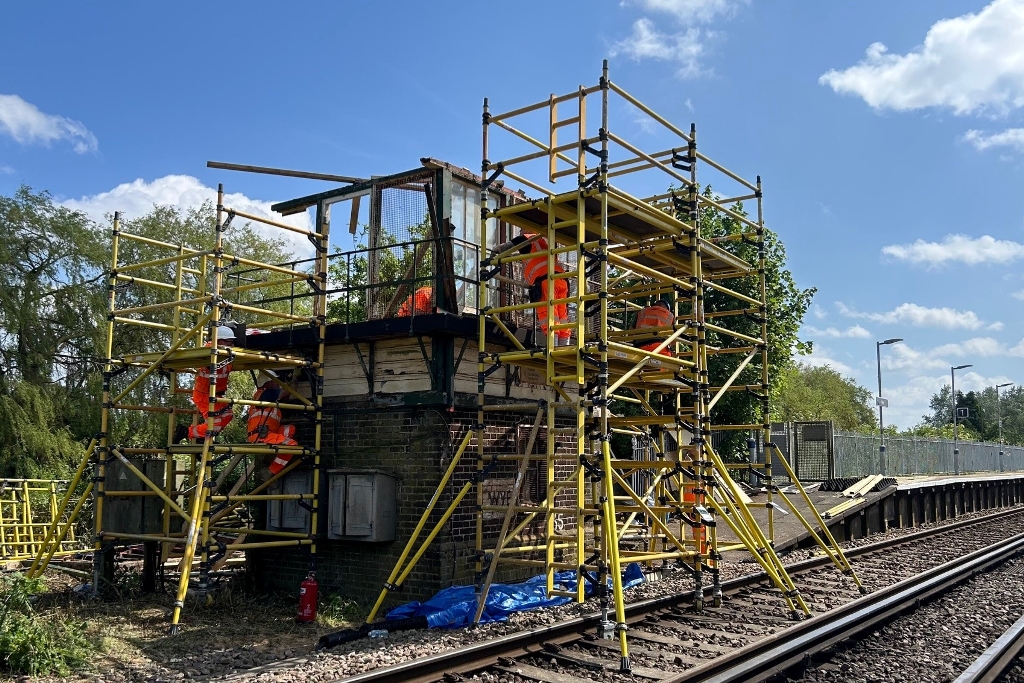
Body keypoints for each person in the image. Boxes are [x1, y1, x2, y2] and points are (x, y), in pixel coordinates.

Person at [493, 232, 570, 345]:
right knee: (562, 316)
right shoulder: (545, 240)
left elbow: (504, 248)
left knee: (549, 316)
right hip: (562, 280)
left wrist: (494, 254)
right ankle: (564, 348)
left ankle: (553, 349)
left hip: (547, 282)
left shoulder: (526, 240)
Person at [185, 325, 236, 440]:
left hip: (215, 395)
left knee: (227, 415)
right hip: (204, 395)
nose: (232, 345)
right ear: (219, 341)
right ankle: (188, 433)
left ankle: (200, 437)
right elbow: (209, 347)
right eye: (229, 342)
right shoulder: (209, 350)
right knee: (215, 424)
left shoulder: (225, 352)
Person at [246, 370, 298, 475]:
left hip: (267, 432)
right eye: (275, 380)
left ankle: (269, 458)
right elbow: (290, 390)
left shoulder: (266, 396)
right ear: (268, 382)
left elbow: (284, 397)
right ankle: (270, 471)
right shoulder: (266, 394)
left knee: (290, 429)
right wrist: (296, 377)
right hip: (261, 435)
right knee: (291, 445)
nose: (277, 383)